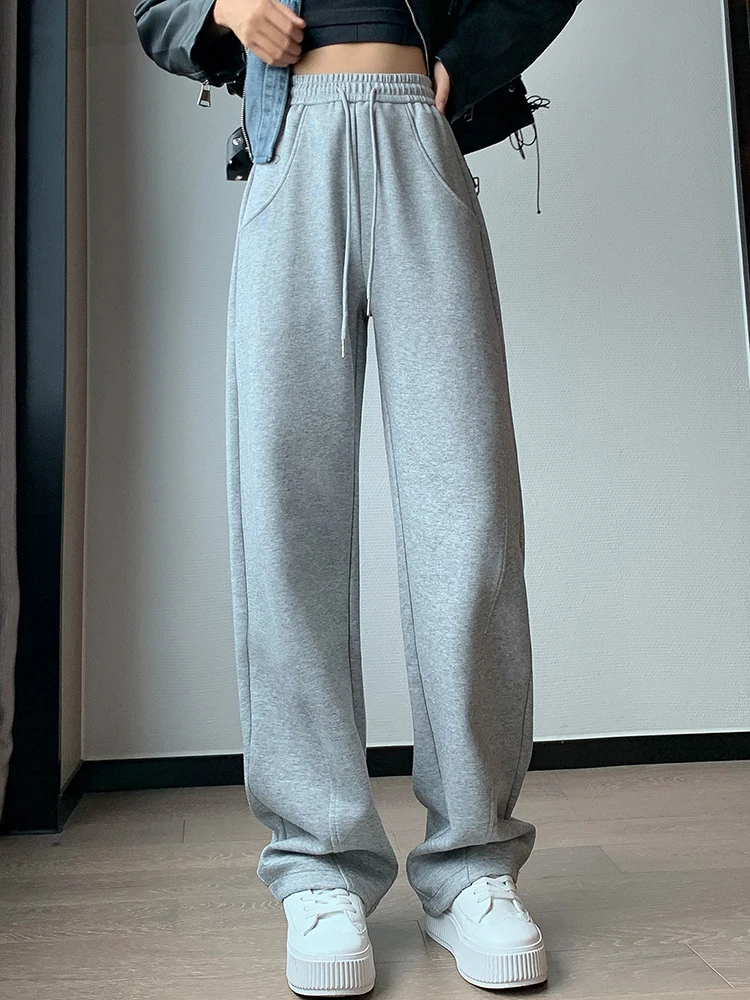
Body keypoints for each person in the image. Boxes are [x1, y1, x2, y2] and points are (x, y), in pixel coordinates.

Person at [133, 0, 579, 994]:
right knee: (286, 518)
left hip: (417, 130)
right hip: (291, 144)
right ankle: (319, 866)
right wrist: (224, 9)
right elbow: (153, 12)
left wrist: (462, 64)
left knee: (467, 515)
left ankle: (473, 863)